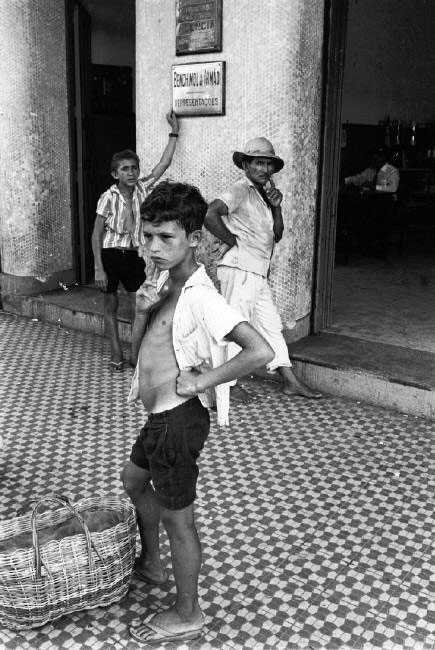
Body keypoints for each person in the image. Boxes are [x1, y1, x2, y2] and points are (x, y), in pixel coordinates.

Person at [121, 181, 273, 645]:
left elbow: (260, 350)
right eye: (147, 236)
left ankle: (188, 612)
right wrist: (141, 312)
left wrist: (202, 381)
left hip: (177, 421)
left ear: (193, 237)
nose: (153, 247)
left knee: (178, 520)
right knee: (132, 480)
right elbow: (137, 355)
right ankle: (152, 562)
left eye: (165, 237)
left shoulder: (203, 295)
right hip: (158, 419)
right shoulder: (161, 285)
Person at [204, 136, 322, 403]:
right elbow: (210, 213)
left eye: (268, 164)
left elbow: (276, 235)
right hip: (239, 270)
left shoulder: (264, 196)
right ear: (246, 166)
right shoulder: (240, 189)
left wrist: (277, 208)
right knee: (236, 326)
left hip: (256, 273)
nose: (264, 169)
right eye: (258, 163)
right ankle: (227, 386)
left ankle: (290, 382)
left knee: (271, 326)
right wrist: (231, 240)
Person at [91, 110, 180, 371]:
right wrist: (98, 267)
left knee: (140, 303)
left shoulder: (142, 188)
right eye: (125, 169)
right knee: (111, 303)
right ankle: (116, 352)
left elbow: (163, 165)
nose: (131, 173)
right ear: (114, 174)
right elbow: (96, 233)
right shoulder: (108, 197)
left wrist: (174, 132)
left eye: (134, 168)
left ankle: (137, 354)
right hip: (110, 254)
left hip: (134, 254)